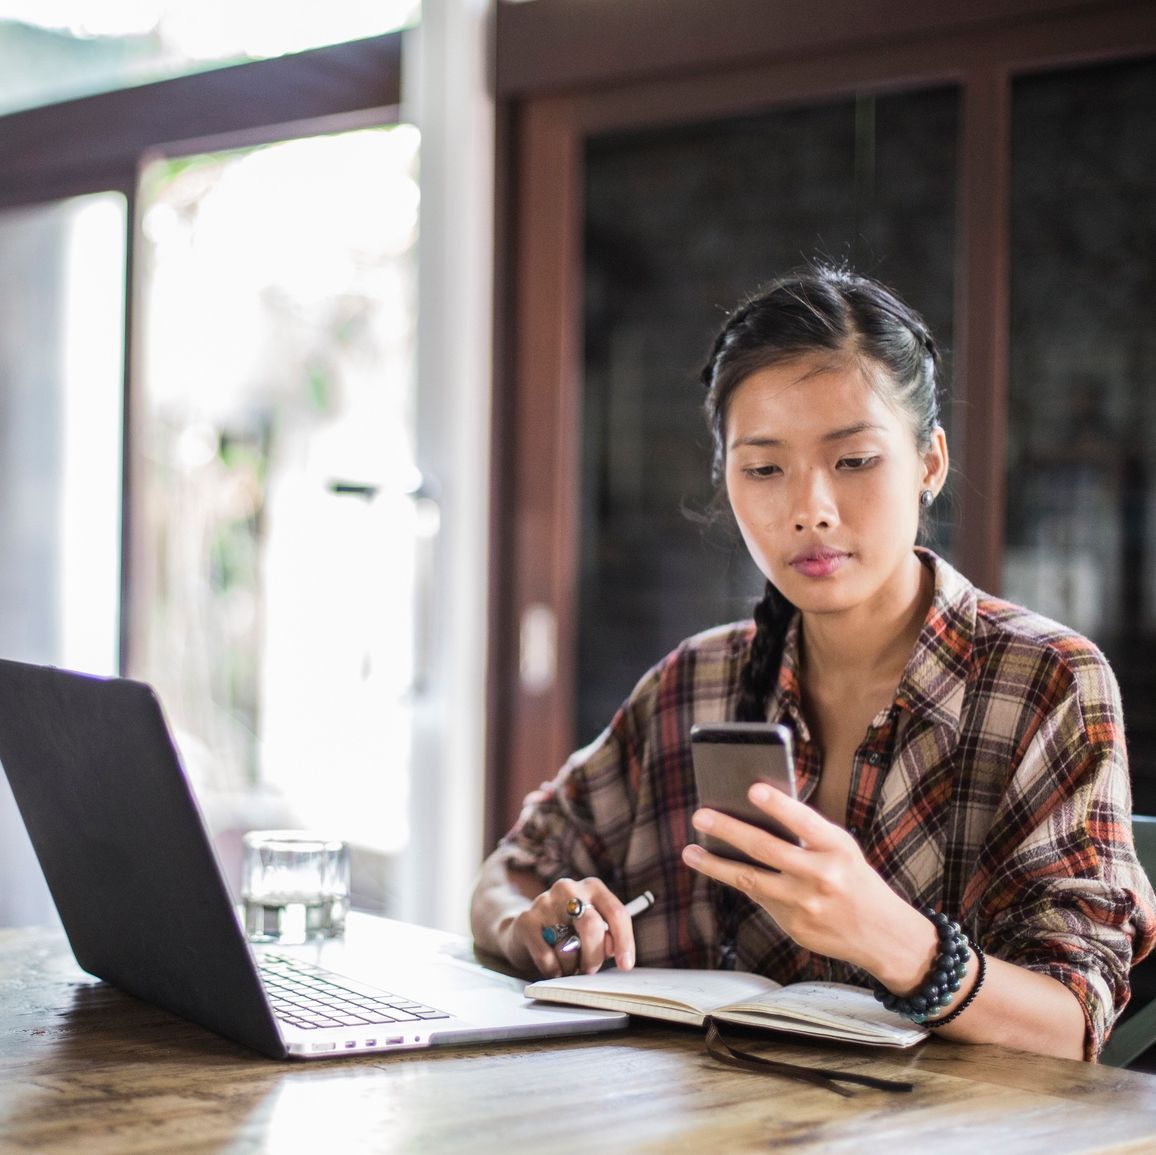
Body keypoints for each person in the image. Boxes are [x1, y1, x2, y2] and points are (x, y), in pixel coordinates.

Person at [470, 265, 1156, 1060]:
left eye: (855, 460)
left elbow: (1074, 1023)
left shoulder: (1047, 682)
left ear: (930, 462)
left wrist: (893, 938)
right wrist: (536, 923)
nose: (810, 509)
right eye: (764, 469)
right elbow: (512, 869)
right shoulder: (696, 683)